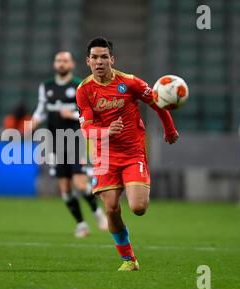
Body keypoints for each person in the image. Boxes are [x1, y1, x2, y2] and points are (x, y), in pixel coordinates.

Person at [76, 37, 179, 271]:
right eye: (95, 57)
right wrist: (106, 131)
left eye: (104, 57)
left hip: (133, 154)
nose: (99, 61)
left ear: (112, 59)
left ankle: (129, 252)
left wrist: (170, 129)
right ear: (88, 61)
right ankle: (129, 260)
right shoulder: (84, 90)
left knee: (138, 208)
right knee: (111, 208)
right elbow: (86, 129)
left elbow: (157, 102)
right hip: (104, 157)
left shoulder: (130, 83)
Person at [32, 51, 107, 238]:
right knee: (65, 188)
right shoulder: (46, 86)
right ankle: (81, 224)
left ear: (72, 64)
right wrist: (32, 122)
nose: (61, 63)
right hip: (54, 142)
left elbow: (91, 113)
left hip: (76, 140)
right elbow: (41, 110)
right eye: (58, 60)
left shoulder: (79, 85)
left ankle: (98, 214)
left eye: (65, 60)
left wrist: (73, 115)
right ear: (54, 64)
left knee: (80, 184)